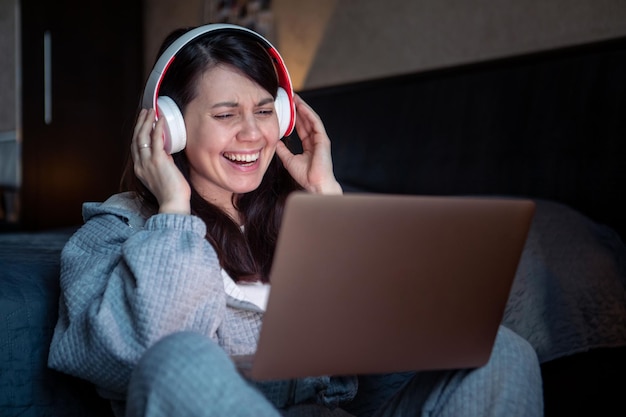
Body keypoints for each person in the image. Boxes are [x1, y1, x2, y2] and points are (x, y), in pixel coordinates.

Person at [48, 24, 543, 417]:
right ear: (169, 127)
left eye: (265, 111)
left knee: (503, 351)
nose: (252, 134)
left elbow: (380, 336)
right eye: (225, 115)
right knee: (179, 360)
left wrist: (327, 201)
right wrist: (174, 212)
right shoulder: (114, 231)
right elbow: (129, 360)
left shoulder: (297, 216)